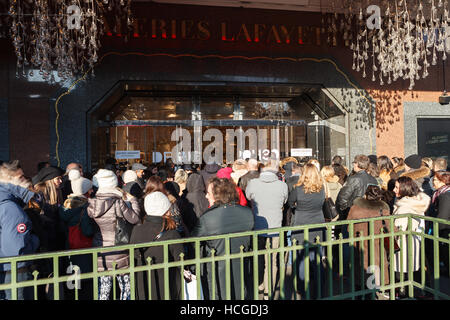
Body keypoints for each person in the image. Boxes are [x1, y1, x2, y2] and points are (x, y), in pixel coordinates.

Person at [191, 177, 254, 300]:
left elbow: (194, 241)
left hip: (216, 269)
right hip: (241, 265)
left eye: (208, 193)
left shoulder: (208, 218)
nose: (206, 196)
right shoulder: (247, 213)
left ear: (217, 195)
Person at [87, 169, 141, 300]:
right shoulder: (119, 202)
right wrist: (133, 201)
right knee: (126, 288)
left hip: (101, 251)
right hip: (120, 248)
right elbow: (135, 218)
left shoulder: (91, 204)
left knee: (103, 291)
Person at [245, 159, 288, 300]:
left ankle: (260, 285)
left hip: (257, 226)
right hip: (276, 226)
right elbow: (285, 201)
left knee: (259, 257)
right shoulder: (282, 185)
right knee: (273, 260)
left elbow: (248, 196)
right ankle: (269, 289)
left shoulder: (253, 183)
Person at [130, 191, 184, 300]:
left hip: (143, 286)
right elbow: (181, 261)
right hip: (167, 288)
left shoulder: (136, 230)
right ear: (165, 210)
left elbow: (133, 256)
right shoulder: (171, 233)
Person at [0, 160, 40, 300]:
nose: (25, 181)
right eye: (20, 178)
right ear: (8, 180)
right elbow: (16, 248)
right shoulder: (11, 208)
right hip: (15, 268)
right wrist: (35, 240)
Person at [346, 185, 392, 298]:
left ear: (365, 195)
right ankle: (375, 290)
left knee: (361, 270)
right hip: (377, 244)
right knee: (376, 265)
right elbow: (389, 227)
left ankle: (361, 292)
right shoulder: (384, 209)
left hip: (360, 243)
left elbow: (348, 226)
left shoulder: (355, 208)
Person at [288, 163, 326, 299]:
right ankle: (320, 287)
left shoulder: (298, 189)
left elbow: (290, 203)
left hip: (301, 223)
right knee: (316, 257)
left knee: (301, 257)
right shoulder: (321, 189)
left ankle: (303, 288)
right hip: (317, 224)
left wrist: (298, 207)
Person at [58, 169, 96, 300]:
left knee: (73, 282)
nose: (92, 191)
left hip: (69, 246)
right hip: (83, 249)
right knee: (86, 283)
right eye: (90, 189)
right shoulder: (84, 208)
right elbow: (87, 231)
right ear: (85, 191)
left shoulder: (65, 205)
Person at [392, 176, 430, 295]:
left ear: (404, 189)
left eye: (397, 187)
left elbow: (398, 228)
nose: (394, 190)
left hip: (402, 242)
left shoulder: (405, 206)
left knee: (402, 272)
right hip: (413, 240)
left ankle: (404, 294)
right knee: (410, 270)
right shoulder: (415, 201)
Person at [336, 154, 378, 220]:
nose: (353, 165)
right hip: (370, 214)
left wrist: (346, 213)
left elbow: (342, 197)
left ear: (357, 164)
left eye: (354, 163)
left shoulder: (353, 179)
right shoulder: (373, 179)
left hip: (354, 215)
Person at [430, 171, 450, 274]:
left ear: (444, 181)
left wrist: (436, 229)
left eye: (436, 180)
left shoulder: (444, 195)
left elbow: (442, 217)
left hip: (444, 230)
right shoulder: (439, 193)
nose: (433, 182)